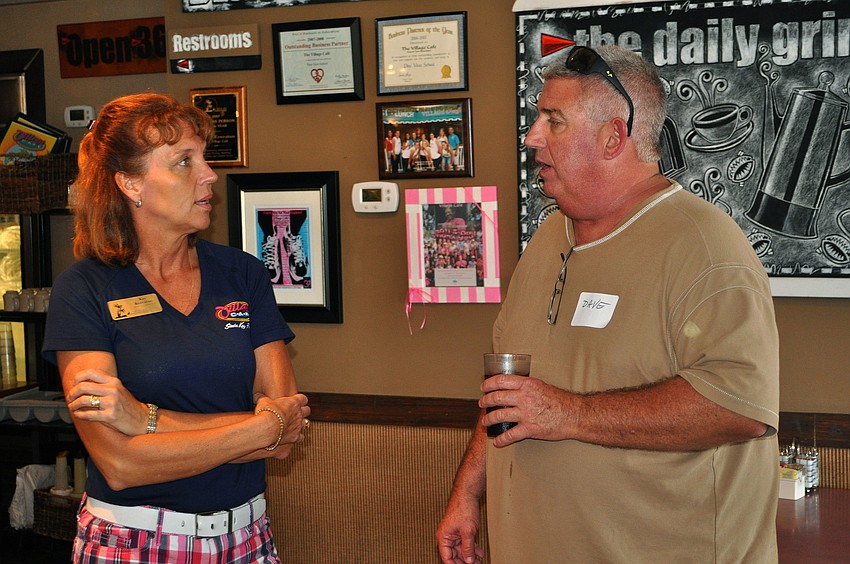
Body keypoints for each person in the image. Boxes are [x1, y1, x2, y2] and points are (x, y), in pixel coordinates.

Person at [437, 45, 779, 563]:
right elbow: (510, 395)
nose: (531, 137)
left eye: (553, 121)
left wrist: (569, 413)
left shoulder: (704, 245)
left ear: (613, 137)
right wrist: (469, 490)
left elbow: (739, 406)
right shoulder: (548, 236)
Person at [42, 93, 311, 563]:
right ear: (130, 184)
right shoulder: (83, 290)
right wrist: (259, 425)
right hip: (135, 542)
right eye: (184, 161)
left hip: (245, 538)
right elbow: (121, 463)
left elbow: (286, 433)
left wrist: (144, 421)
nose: (209, 175)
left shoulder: (242, 274)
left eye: (203, 158)